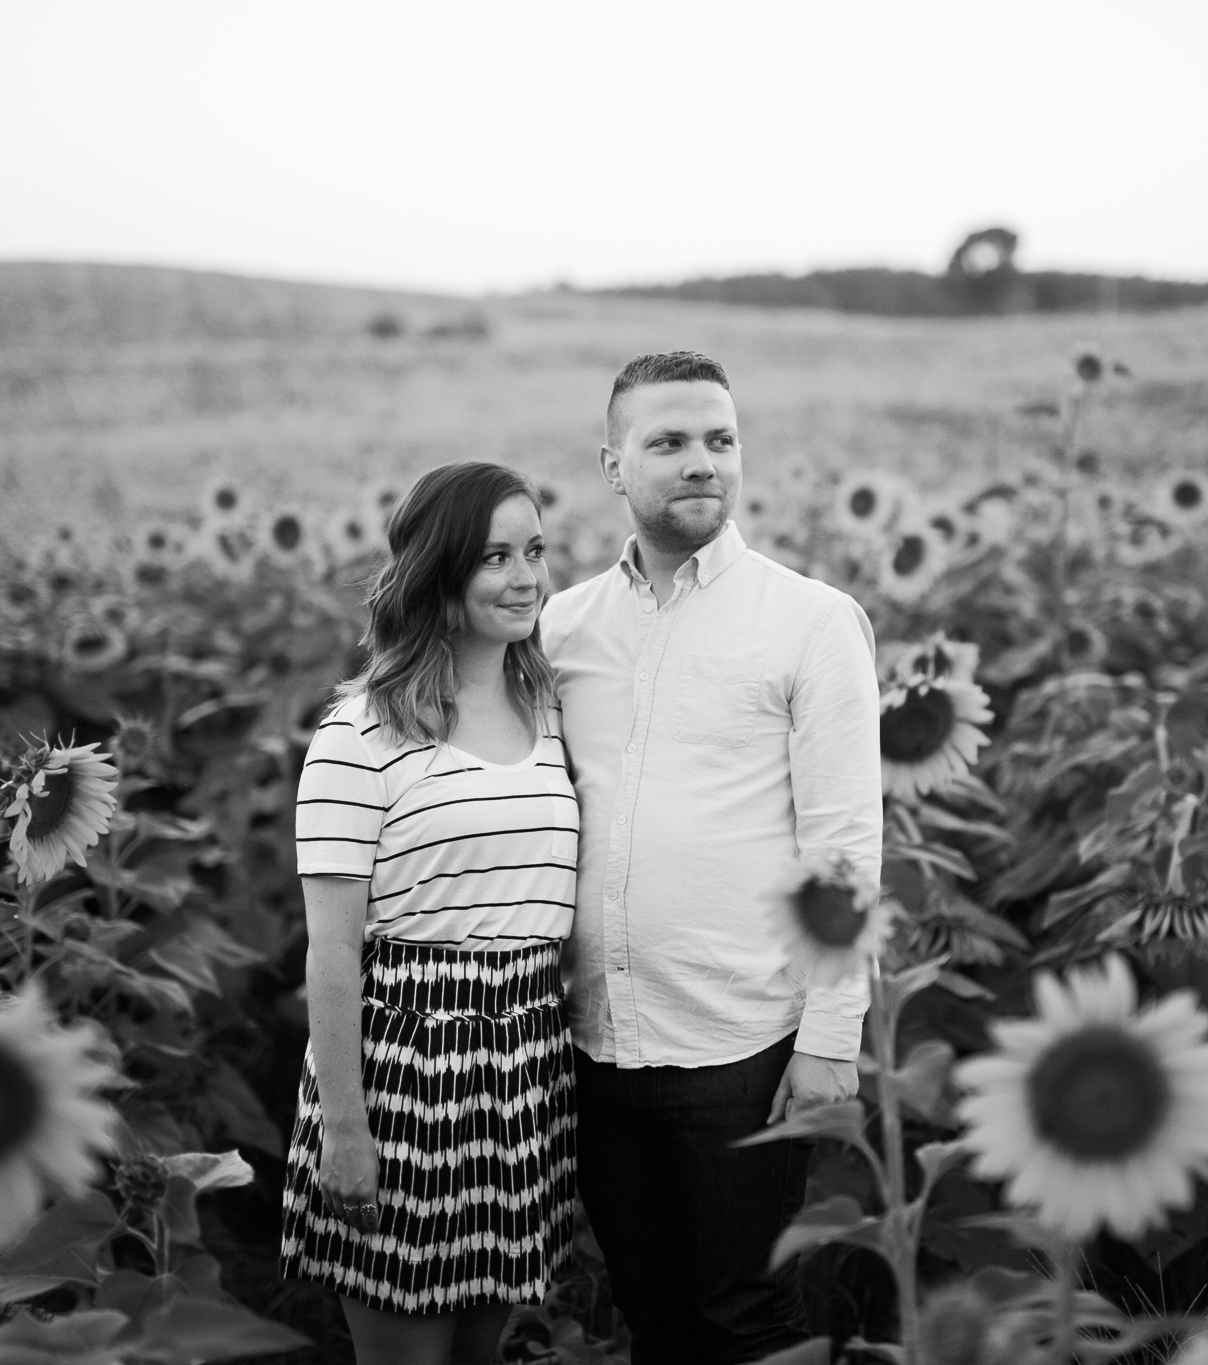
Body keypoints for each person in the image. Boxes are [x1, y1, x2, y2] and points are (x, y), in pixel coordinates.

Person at [542, 351, 884, 1363]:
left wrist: (829, 1037)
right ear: (612, 465)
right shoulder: (564, 626)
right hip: (596, 1041)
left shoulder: (810, 621)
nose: (701, 463)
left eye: (719, 441)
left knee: (746, 1320)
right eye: (669, 442)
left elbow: (842, 838)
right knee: (653, 1317)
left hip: (741, 1042)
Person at [279, 461, 580, 1365]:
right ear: (437, 572)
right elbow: (331, 952)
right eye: (494, 556)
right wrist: (344, 1128)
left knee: (483, 1351)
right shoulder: (360, 733)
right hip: (409, 1066)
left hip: (525, 1062)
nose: (525, 577)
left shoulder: (550, 710)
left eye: (534, 550)